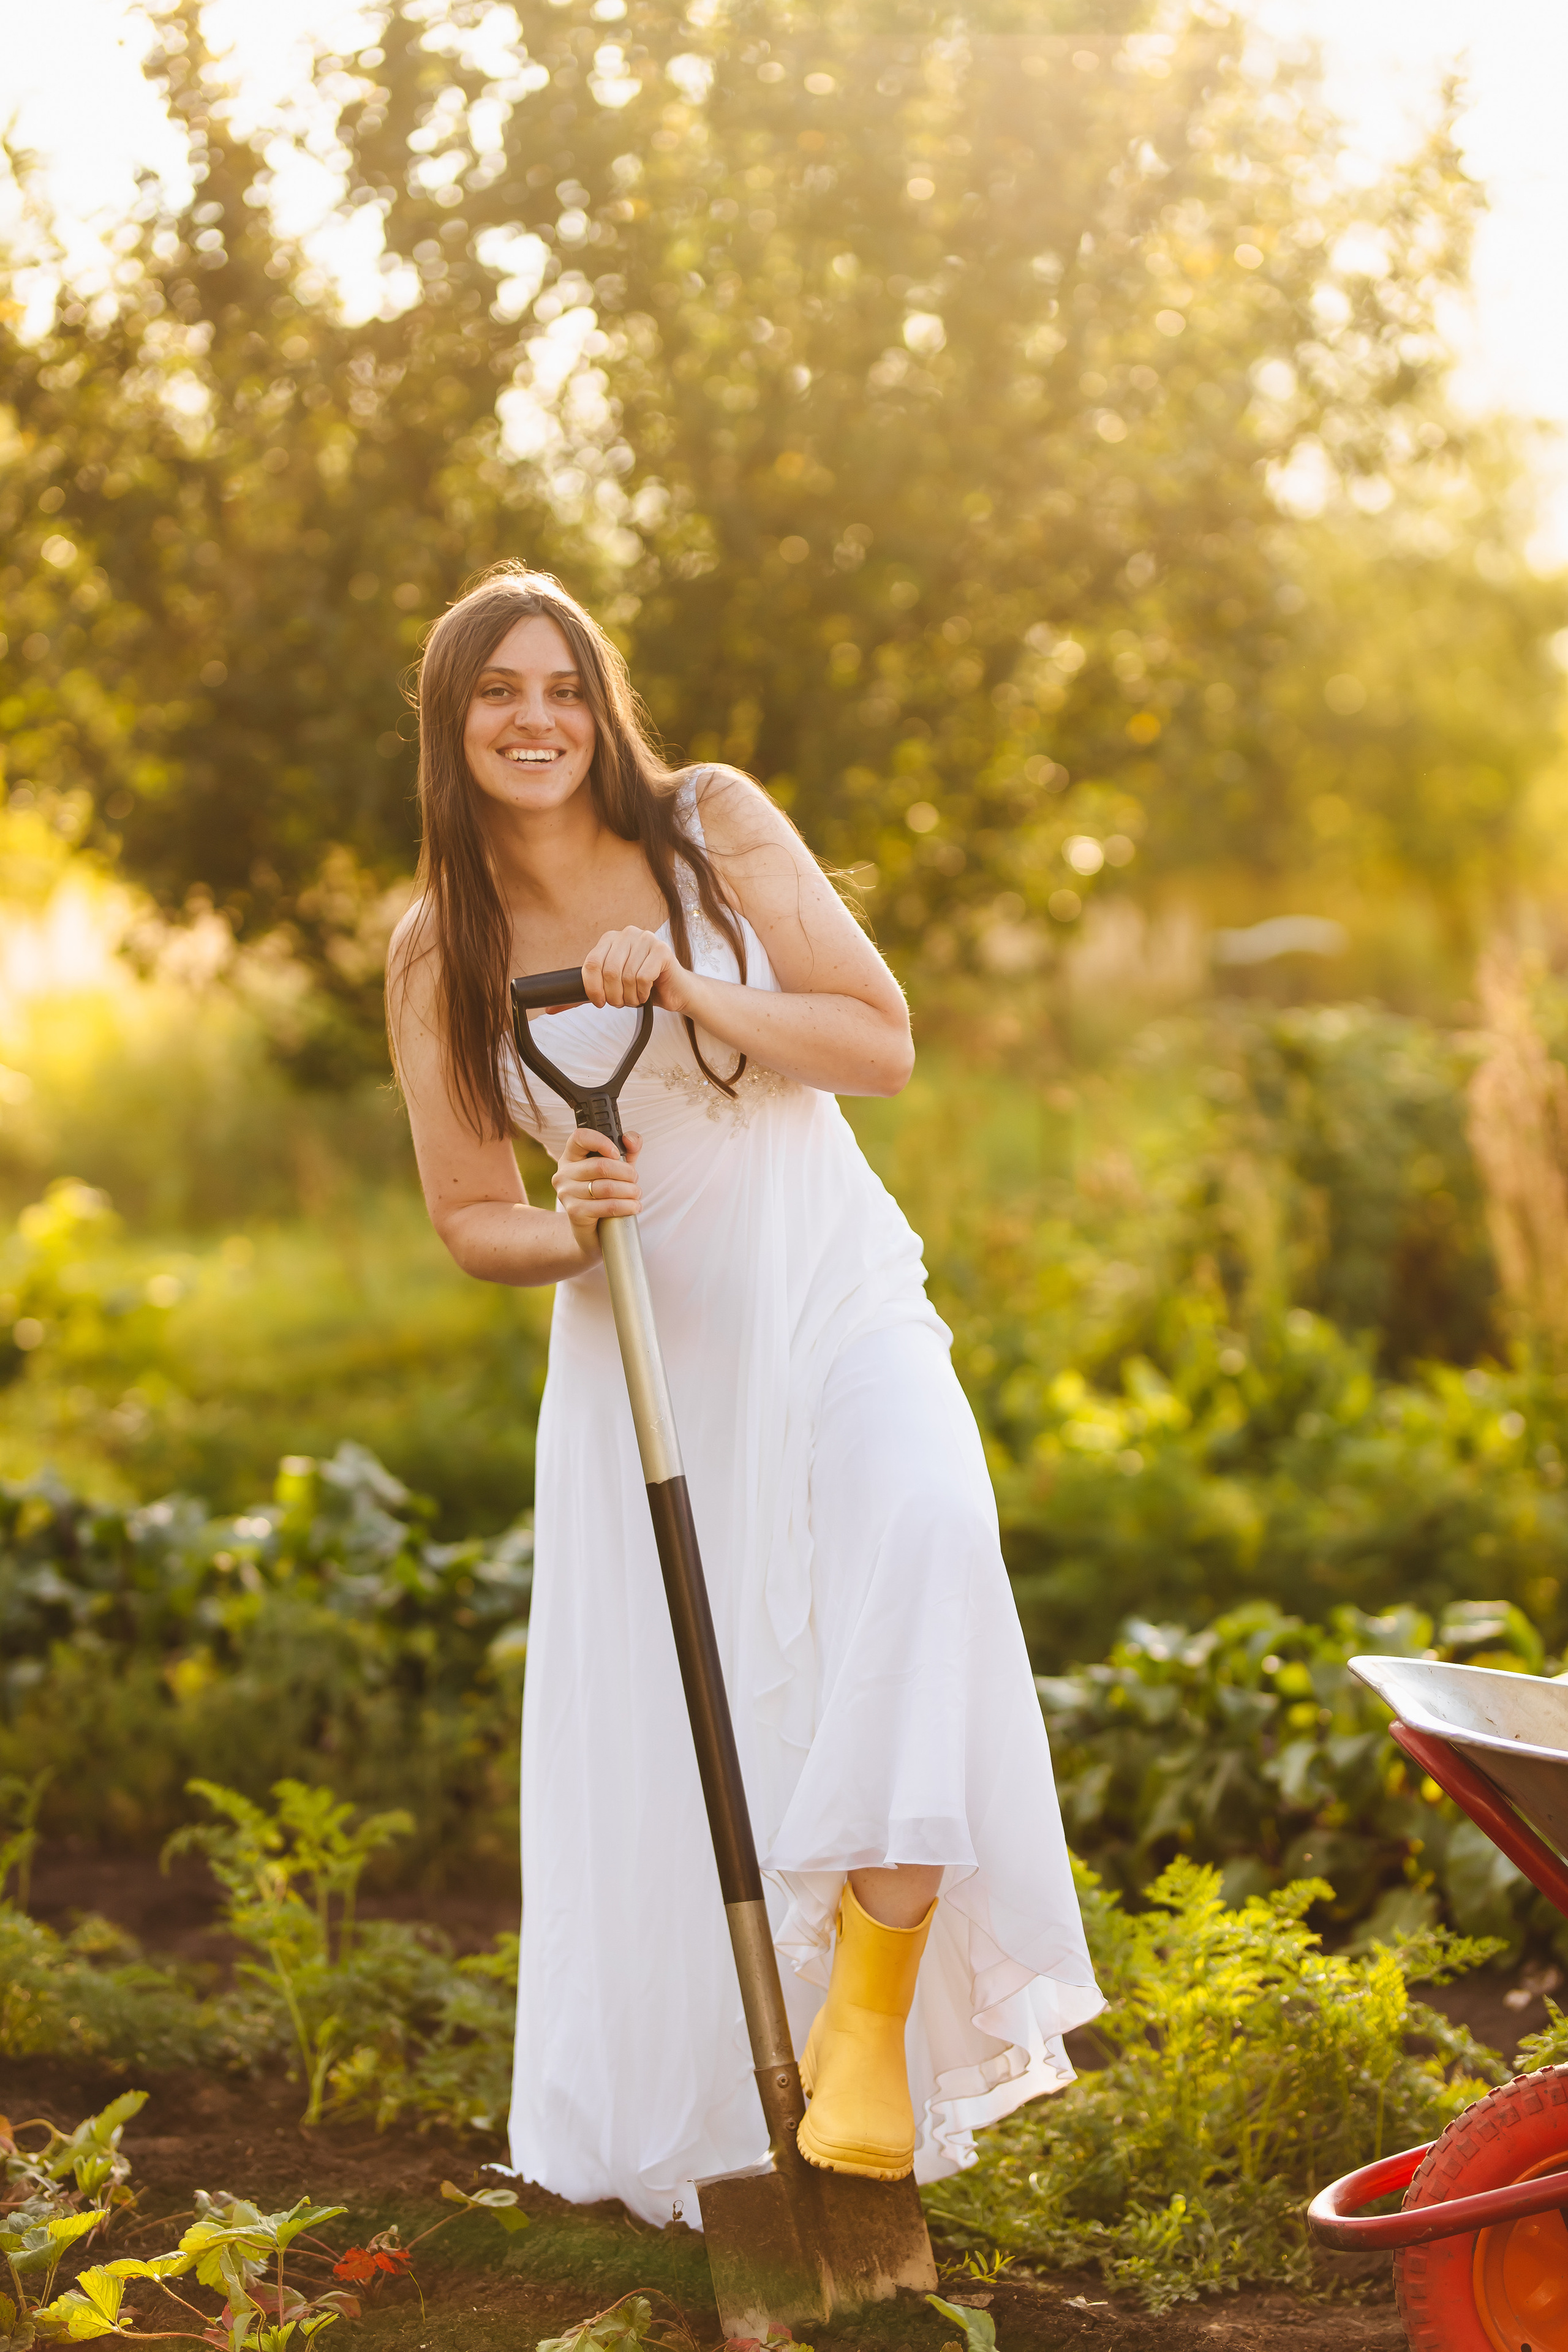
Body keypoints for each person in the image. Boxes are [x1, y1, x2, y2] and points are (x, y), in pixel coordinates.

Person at [387, 562, 1101, 2226]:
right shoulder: (443, 945)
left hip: (830, 1296)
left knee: (924, 1531)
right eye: (498, 692)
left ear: (600, 702)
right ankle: (743, 2126)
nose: (536, 719)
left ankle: (868, 2014)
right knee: (696, 1725)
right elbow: (464, 1216)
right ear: (452, 724)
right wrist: (562, 1228)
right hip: (648, 1357)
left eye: (562, 686)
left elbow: (878, 1040)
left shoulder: (712, 827)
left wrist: (691, 991)